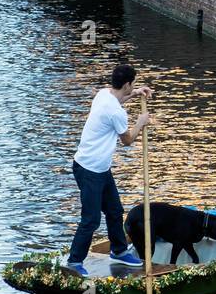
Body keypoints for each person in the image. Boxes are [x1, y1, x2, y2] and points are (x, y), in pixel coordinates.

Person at [65, 64, 153, 276]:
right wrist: (141, 122)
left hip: (99, 168)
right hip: (89, 170)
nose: (132, 88)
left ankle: (119, 251)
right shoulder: (117, 113)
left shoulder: (104, 94)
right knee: (91, 219)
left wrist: (136, 92)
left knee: (114, 210)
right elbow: (128, 140)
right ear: (126, 83)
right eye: (132, 84)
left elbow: (120, 99)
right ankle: (74, 262)